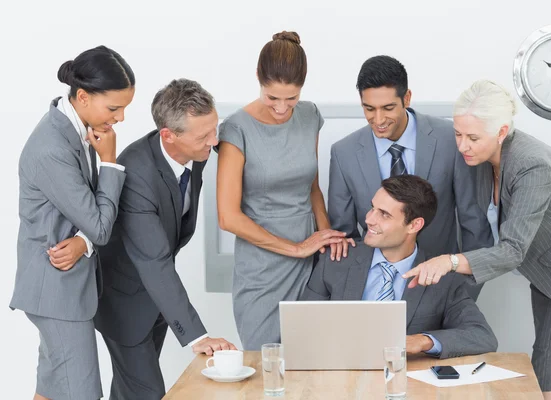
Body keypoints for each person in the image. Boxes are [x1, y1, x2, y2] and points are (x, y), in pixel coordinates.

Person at [403, 79, 551, 399]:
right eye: (458, 134)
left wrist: (449, 262)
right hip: (549, 275)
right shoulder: (482, 161)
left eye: (472, 137)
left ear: (501, 132)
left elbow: (513, 249)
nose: (463, 145)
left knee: (546, 378)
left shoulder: (532, 164)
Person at [94, 79, 236, 400]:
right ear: (168, 135)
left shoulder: (194, 151)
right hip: (124, 300)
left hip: (157, 298)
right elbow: (153, 260)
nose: (214, 142)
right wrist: (197, 337)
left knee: (130, 393)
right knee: (147, 394)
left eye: (215, 129)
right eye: (203, 136)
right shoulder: (136, 175)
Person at [10, 45, 134, 400]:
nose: (121, 118)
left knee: (51, 390)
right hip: (56, 291)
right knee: (80, 393)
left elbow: (85, 220)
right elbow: (99, 226)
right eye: (114, 108)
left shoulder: (73, 129)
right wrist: (109, 162)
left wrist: (83, 240)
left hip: (60, 287)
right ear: (82, 97)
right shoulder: (53, 146)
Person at [217, 31, 351, 350]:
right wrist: (296, 248)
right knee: (266, 360)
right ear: (258, 80)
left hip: (311, 262)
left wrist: (326, 238)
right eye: (272, 97)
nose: (281, 107)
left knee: (315, 358)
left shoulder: (309, 116)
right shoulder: (237, 128)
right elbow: (228, 217)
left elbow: (312, 188)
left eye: (290, 98)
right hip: (263, 267)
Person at [327, 55, 492, 300]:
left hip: (442, 286)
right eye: (369, 109)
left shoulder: (451, 139)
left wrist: (462, 292)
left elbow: (474, 223)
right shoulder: (344, 153)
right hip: (373, 291)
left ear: (407, 98)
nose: (379, 120)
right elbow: (345, 237)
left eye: (388, 108)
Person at [302, 175, 497, 358]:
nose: (369, 219)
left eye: (384, 214)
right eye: (372, 208)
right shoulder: (336, 261)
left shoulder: (443, 279)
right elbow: (303, 327)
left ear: (414, 225)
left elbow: (482, 336)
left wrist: (422, 341)